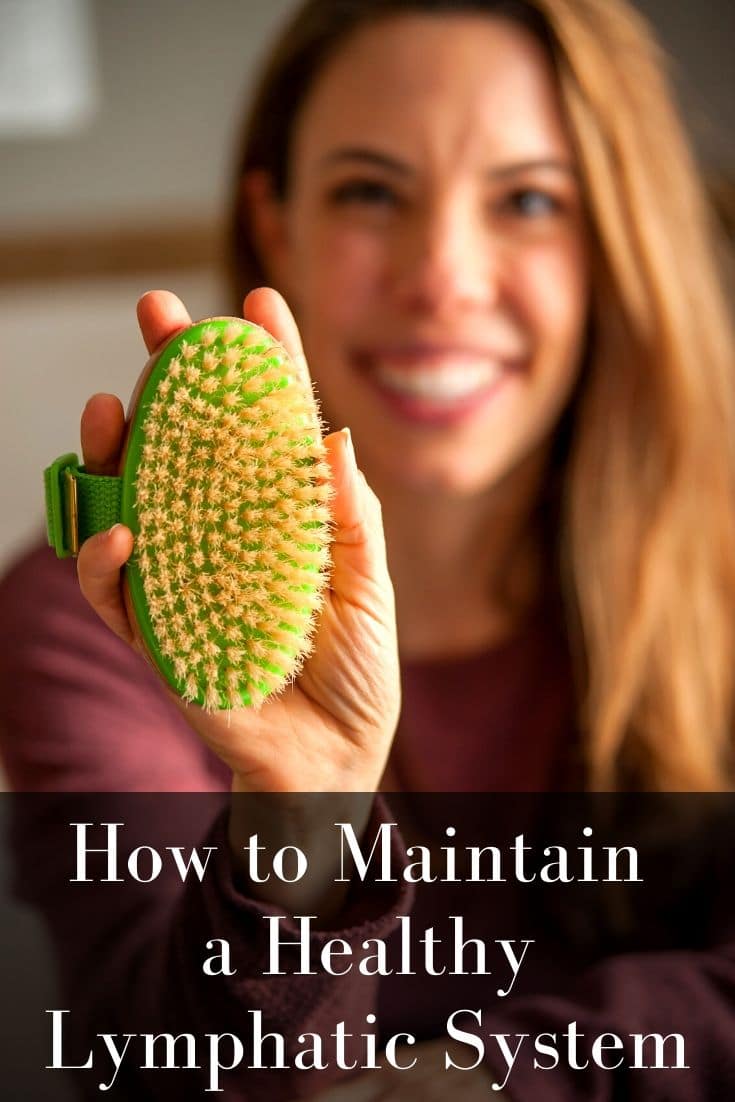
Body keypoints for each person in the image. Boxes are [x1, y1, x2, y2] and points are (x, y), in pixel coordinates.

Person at [1, 0, 734, 1098]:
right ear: (276, 220)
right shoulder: (91, 617)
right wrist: (303, 808)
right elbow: (157, 1067)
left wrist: (482, 1080)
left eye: (529, 199)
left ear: (615, 240)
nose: (442, 275)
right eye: (370, 191)